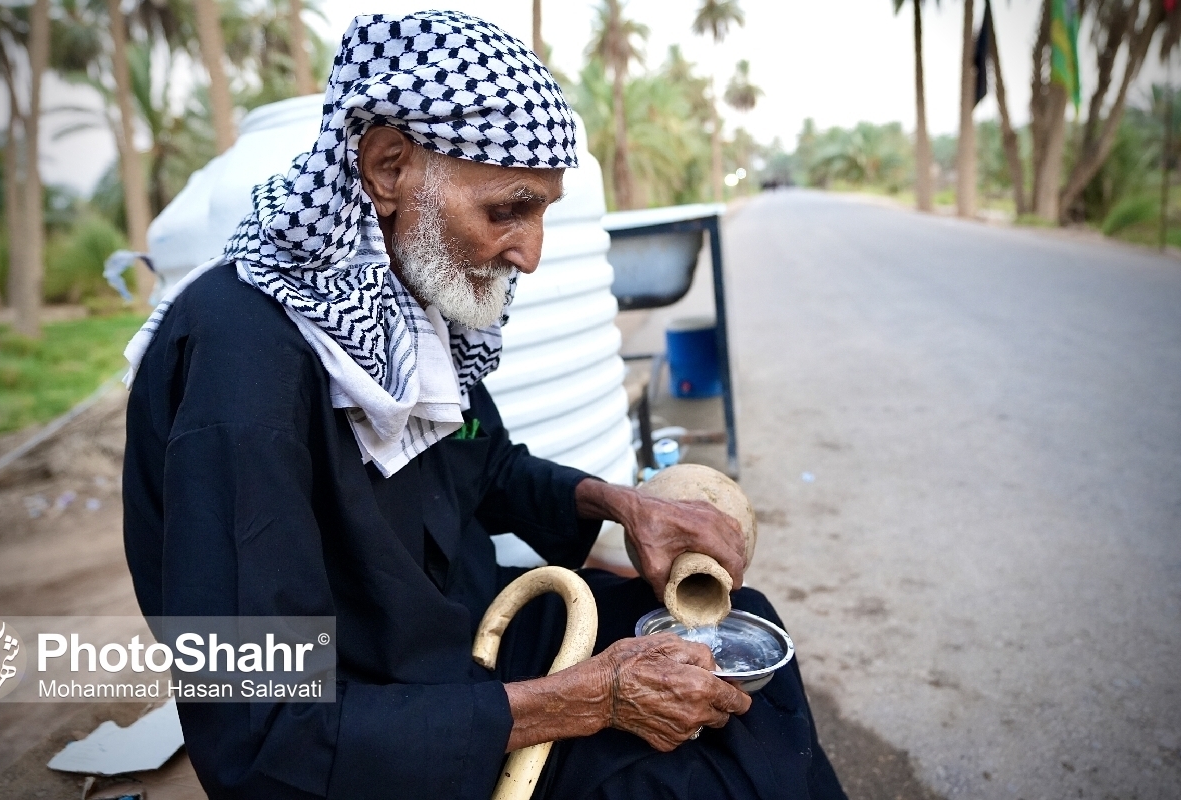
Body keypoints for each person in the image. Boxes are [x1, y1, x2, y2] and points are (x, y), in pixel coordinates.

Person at [121, 10, 846, 800]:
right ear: (388, 166)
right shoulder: (241, 368)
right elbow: (262, 739)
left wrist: (622, 505)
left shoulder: (394, 297)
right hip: (373, 731)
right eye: (509, 209)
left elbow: (484, 463)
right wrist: (585, 701)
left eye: (542, 212)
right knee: (678, 784)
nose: (530, 254)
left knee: (742, 641)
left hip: (465, 636)